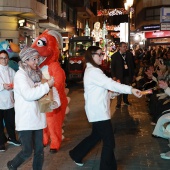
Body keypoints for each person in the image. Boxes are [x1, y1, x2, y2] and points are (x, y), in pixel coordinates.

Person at [69, 46, 142, 170]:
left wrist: (113, 94)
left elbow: (101, 91)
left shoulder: (93, 70)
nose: (102, 57)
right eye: (100, 54)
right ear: (92, 56)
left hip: (97, 110)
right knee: (109, 143)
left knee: (96, 136)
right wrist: (130, 89)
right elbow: (110, 84)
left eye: (102, 54)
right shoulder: (94, 72)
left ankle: (76, 154)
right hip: (98, 112)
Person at [7, 47, 57, 170]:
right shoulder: (20, 76)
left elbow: (38, 92)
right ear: (25, 60)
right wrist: (46, 86)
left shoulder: (35, 74)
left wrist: (50, 96)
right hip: (26, 120)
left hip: (38, 118)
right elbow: (29, 95)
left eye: (37, 59)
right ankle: (12, 165)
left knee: (39, 150)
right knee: (27, 151)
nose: (36, 62)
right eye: (34, 59)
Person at [0, 50, 21, 152]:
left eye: (5, 58)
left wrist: (12, 87)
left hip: (10, 101)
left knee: (11, 122)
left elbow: (16, 84)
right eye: (2, 58)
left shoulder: (11, 71)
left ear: (8, 59)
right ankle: (1, 143)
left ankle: (12, 138)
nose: (4, 60)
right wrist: (2, 86)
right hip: (0, 101)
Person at [111, 42, 135, 109]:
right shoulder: (115, 56)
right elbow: (112, 67)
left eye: (126, 46)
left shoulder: (129, 55)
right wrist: (113, 76)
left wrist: (133, 75)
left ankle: (125, 101)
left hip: (127, 75)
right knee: (119, 89)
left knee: (126, 88)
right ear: (120, 47)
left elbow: (132, 65)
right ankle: (118, 103)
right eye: (124, 46)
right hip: (119, 76)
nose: (125, 48)